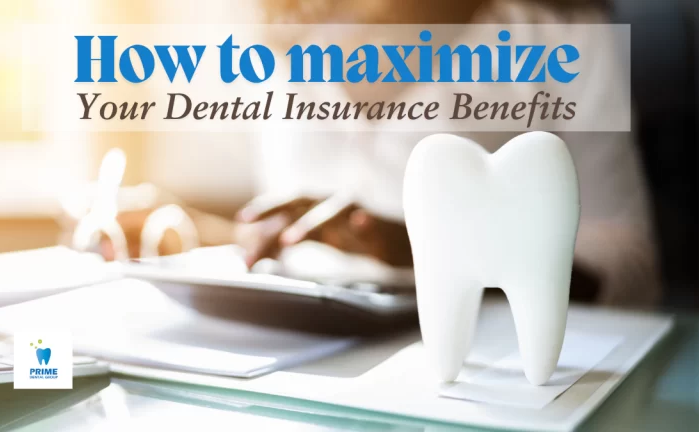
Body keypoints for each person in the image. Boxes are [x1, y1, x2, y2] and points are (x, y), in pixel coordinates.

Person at [91, 0, 661, 309]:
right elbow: (308, 237)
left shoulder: (557, 32)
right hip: (291, 350)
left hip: (484, 361)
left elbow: (630, 263)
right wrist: (199, 232)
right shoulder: (278, 38)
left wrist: (431, 247)